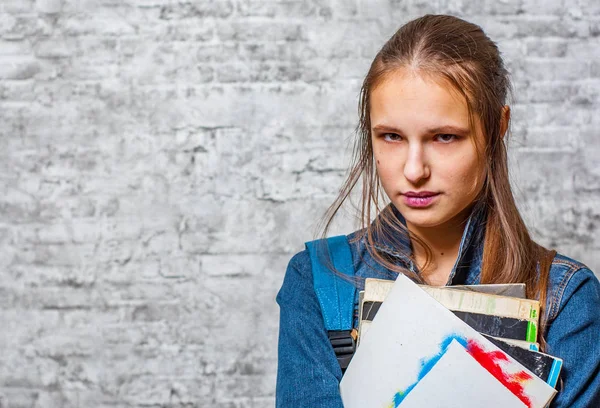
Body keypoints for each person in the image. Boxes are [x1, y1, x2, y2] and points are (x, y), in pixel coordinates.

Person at [275, 14, 600, 408]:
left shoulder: (567, 299)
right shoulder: (317, 281)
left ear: (497, 129)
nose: (414, 170)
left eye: (445, 137)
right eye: (391, 136)